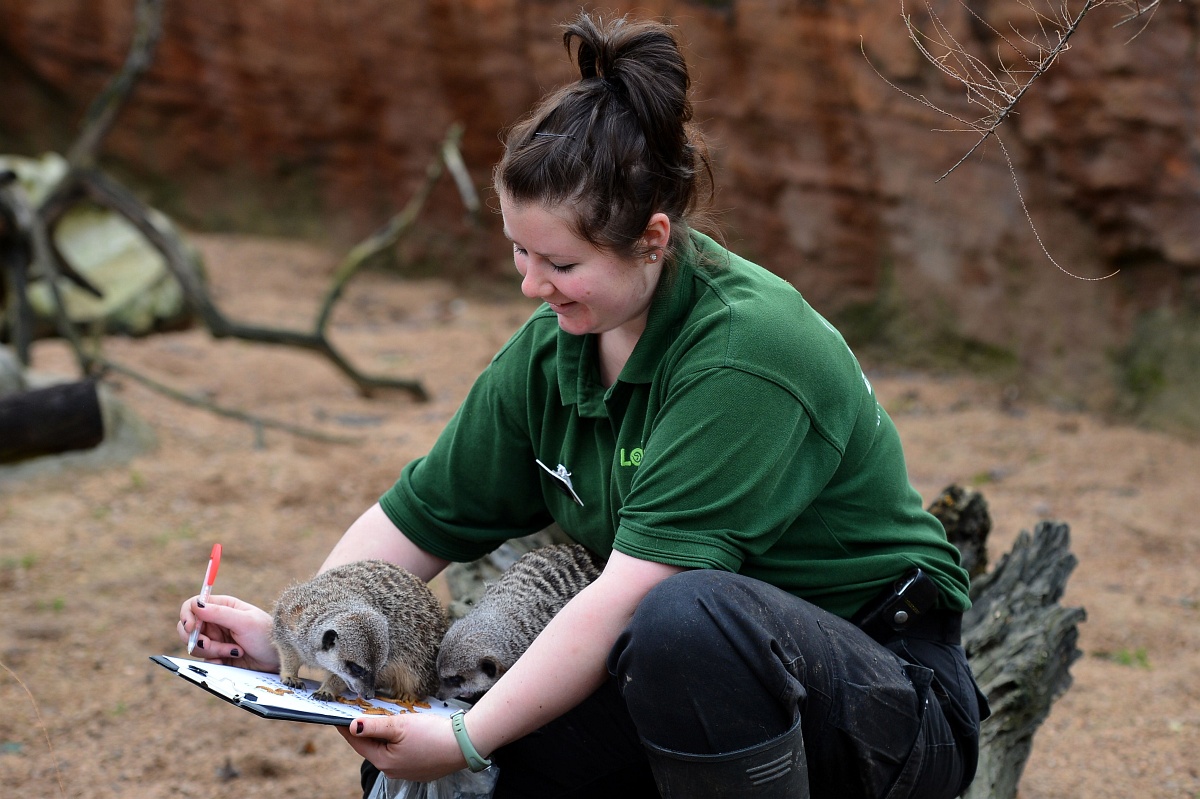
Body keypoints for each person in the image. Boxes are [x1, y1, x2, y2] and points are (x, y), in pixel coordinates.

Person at [178, 12, 988, 799]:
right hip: (672, 682)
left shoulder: (750, 351)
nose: (531, 285)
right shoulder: (554, 345)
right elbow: (418, 520)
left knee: (680, 621)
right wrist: (297, 635)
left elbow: (635, 595)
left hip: (883, 703)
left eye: (560, 262)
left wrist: (466, 735)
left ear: (653, 238)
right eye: (520, 252)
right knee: (425, 751)